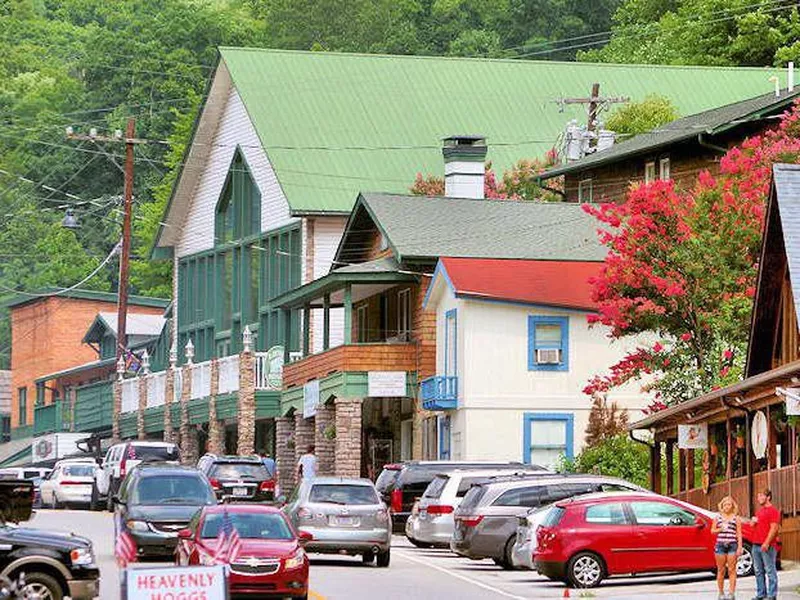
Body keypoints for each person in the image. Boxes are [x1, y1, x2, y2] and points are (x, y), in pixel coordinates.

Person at [751, 489, 781, 600]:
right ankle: (761, 594)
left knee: (770, 570)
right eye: (758, 496)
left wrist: (767, 542)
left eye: (761, 495)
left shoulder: (773, 511)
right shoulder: (759, 511)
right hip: (756, 545)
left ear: (768, 497)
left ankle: (772, 595)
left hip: (767, 545)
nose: (758, 498)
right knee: (758, 571)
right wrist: (752, 522)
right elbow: (753, 526)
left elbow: (774, 528)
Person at [711, 496, 742, 600]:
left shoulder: (736, 518)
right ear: (722, 506)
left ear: (732, 506)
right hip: (720, 545)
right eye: (725, 505)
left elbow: (739, 533)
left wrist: (740, 547)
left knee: (732, 569)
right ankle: (721, 593)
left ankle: (731, 593)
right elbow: (712, 531)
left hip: (732, 544)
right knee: (721, 570)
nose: (727, 507)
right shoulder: (718, 517)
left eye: (729, 504)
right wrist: (720, 529)